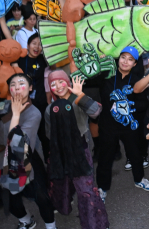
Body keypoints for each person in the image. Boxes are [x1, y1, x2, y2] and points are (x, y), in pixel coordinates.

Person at [0, 73, 56, 229]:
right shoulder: (4, 106)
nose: (17, 87)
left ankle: (51, 226)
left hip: (28, 159)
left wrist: (17, 114)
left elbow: (18, 144)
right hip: (4, 159)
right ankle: (26, 221)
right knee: (10, 198)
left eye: (21, 83)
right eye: (13, 84)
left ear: (31, 88)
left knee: (41, 197)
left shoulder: (34, 113)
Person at [44, 72, 108, 229]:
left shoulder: (76, 100)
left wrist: (80, 95)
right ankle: (64, 206)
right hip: (61, 152)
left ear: (68, 82)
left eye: (61, 82)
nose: (58, 86)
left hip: (80, 150)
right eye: (53, 84)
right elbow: (49, 133)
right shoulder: (50, 108)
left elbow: (96, 112)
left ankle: (96, 224)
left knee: (86, 189)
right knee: (63, 182)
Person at [96, 46, 149, 203]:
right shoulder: (106, 76)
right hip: (108, 125)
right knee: (105, 157)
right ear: (118, 59)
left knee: (135, 153)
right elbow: (86, 78)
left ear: (135, 64)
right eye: (123, 57)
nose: (125, 62)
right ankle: (102, 187)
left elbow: (144, 103)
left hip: (130, 126)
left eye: (130, 59)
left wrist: (130, 105)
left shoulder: (137, 80)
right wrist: (97, 62)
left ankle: (139, 179)